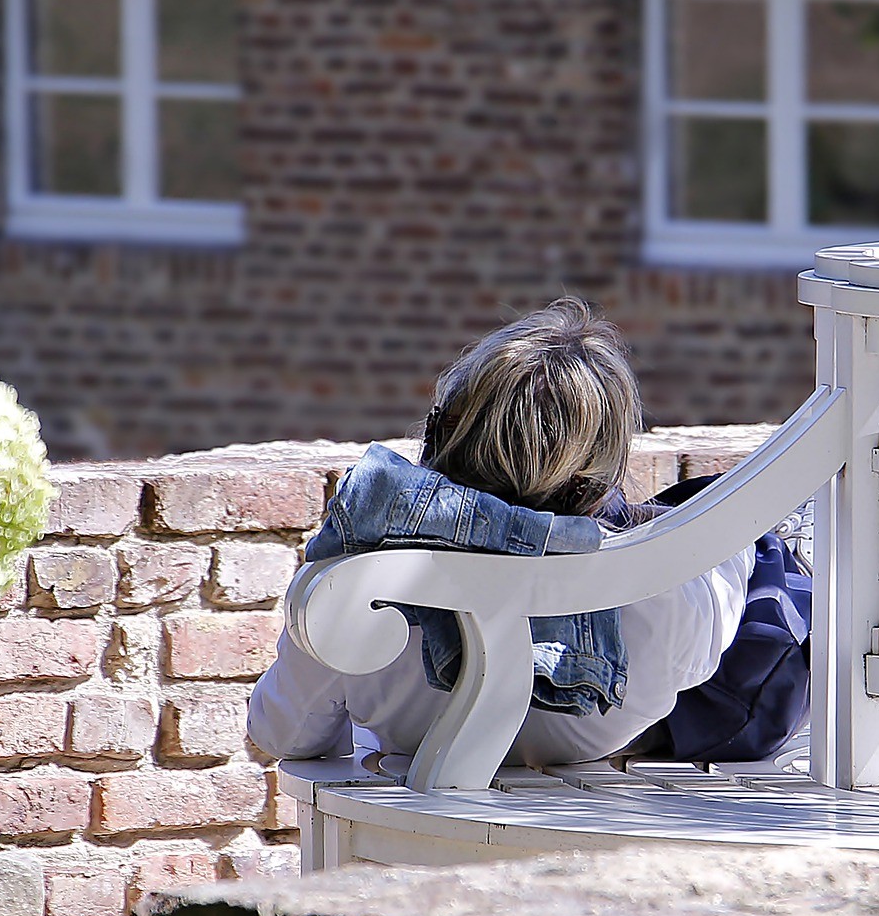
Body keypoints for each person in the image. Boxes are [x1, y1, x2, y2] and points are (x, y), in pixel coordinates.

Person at [247, 297, 768, 767]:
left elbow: (284, 735)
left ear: (443, 432)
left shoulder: (355, 578)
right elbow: (708, 638)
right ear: (603, 470)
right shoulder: (667, 593)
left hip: (421, 795)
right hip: (591, 807)